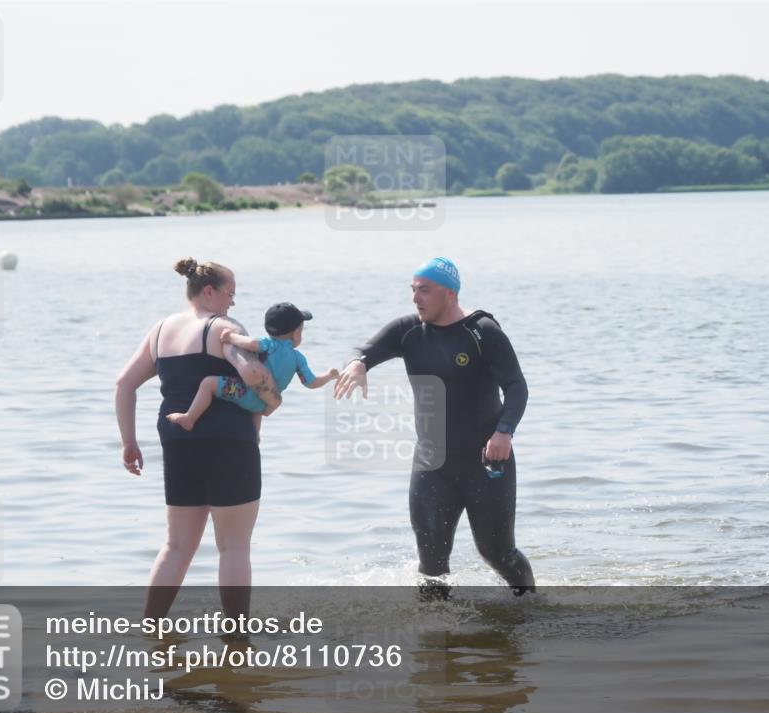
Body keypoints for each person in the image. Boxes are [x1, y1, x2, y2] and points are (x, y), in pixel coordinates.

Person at [333, 257, 536, 596]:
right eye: (413, 291)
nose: (416, 298)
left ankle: (531, 606)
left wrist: (504, 432)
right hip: (432, 466)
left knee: (496, 553)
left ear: (450, 294)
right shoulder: (409, 331)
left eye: (424, 291)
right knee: (431, 563)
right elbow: (365, 350)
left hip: (486, 465)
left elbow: (516, 387)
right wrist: (357, 365)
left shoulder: (482, 332)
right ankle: (434, 641)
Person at [115, 258, 282, 620]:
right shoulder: (223, 327)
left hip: (178, 440)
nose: (232, 303)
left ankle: (151, 626)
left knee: (176, 546)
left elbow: (124, 384)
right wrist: (272, 399)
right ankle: (237, 636)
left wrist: (128, 441)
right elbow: (252, 374)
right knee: (234, 548)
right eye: (230, 294)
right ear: (209, 291)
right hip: (228, 441)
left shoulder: (160, 330)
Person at [166, 302, 339, 432]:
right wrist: (329, 375)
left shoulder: (268, 344)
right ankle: (255, 436)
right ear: (295, 334)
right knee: (256, 406)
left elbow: (251, 343)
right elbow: (311, 382)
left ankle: (189, 417)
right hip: (264, 406)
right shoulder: (298, 358)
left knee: (208, 384)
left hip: (243, 393)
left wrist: (230, 337)